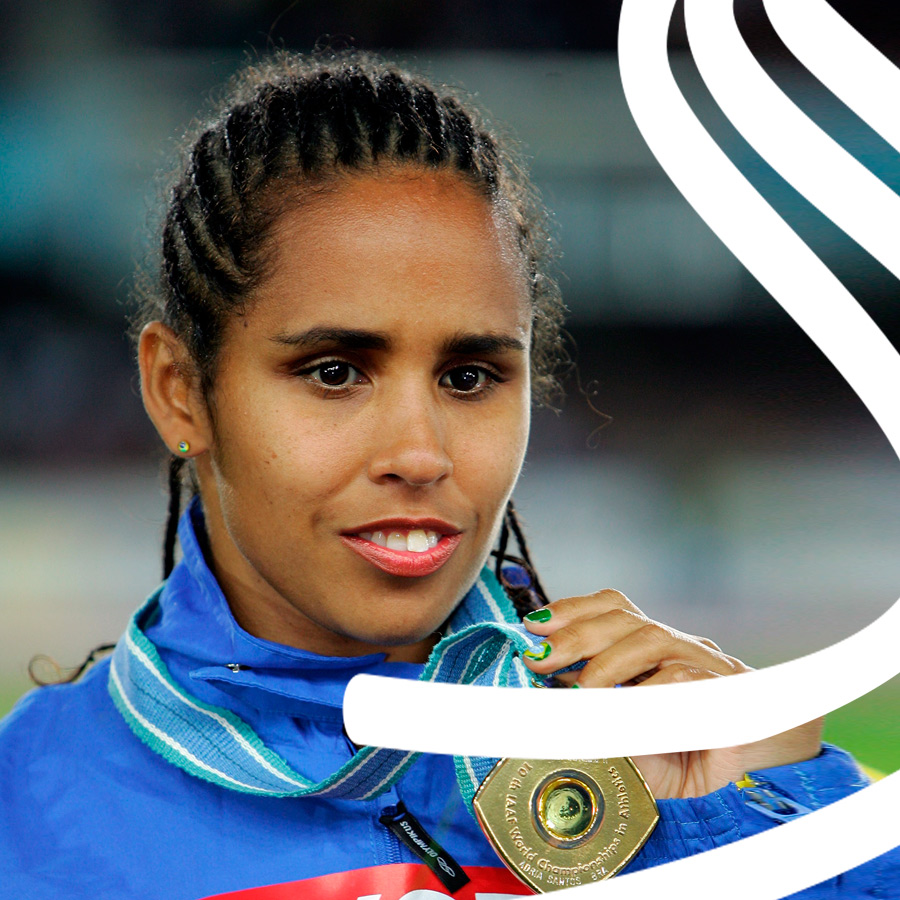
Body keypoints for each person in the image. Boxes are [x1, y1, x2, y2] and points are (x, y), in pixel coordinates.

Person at [0, 50, 895, 899]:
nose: (422, 455)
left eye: (470, 378)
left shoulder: (671, 759)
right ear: (181, 391)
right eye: (335, 372)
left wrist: (774, 819)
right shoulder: (26, 815)